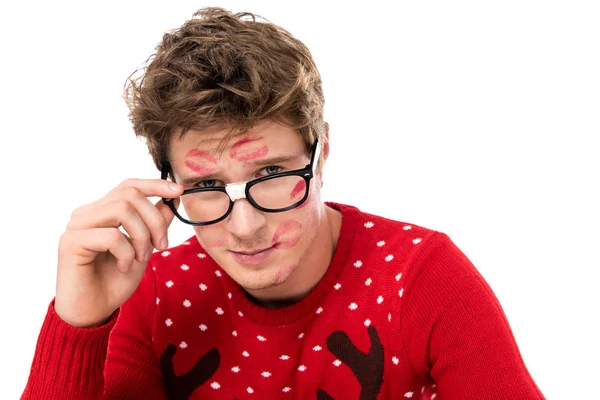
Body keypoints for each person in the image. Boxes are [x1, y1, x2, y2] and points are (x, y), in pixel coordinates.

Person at [21, 7, 544, 399]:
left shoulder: (421, 276)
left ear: (321, 156)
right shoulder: (152, 289)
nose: (245, 226)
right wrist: (79, 326)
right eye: (206, 187)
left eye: (271, 174)